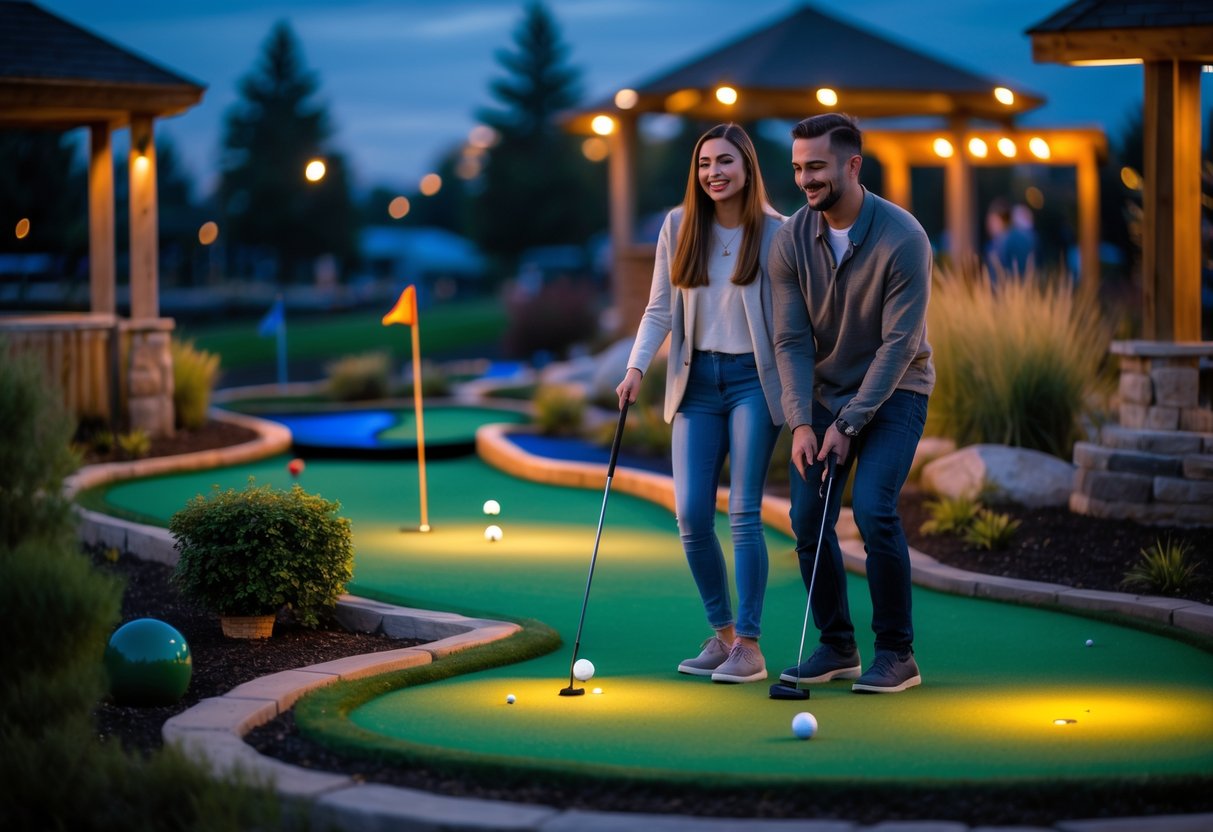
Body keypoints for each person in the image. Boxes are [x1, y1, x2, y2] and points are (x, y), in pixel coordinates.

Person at [769, 113, 935, 694]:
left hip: (896, 391)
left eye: (816, 167)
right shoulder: (789, 239)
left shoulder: (904, 238)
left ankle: (897, 653)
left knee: (872, 510)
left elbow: (900, 345)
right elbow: (790, 339)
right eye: (797, 168)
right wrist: (801, 422)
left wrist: (850, 421)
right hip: (822, 394)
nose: (805, 180)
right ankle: (837, 645)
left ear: (852, 165)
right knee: (807, 518)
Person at [616, 123, 786, 684]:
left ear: (748, 168)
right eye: (705, 163)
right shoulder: (677, 226)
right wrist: (636, 366)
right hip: (696, 383)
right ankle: (725, 635)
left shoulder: (778, 233)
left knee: (742, 512)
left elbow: (795, 322)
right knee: (690, 514)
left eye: (726, 162)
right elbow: (659, 309)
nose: (714, 172)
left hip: (753, 383)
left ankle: (752, 646)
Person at [984, 197, 1037, 280]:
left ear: (1001, 220)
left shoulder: (1009, 241)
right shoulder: (996, 242)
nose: (988, 226)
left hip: (1008, 287)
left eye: (992, 221)